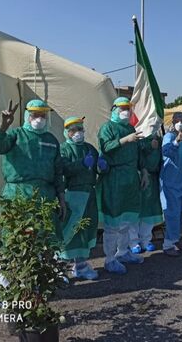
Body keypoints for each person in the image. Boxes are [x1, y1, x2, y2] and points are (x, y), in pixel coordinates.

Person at [0, 99, 67, 293]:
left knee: (44, 240)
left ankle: (37, 286)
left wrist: (61, 198)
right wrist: (3, 125)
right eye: (34, 115)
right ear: (26, 116)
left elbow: (58, 173)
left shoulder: (52, 140)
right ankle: (3, 290)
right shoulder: (15, 135)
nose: (39, 119)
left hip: (45, 195)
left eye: (42, 115)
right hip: (17, 194)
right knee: (13, 240)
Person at [97, 97, 149, 274]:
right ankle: (110, 259)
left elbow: (138, 152)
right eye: (123, 108)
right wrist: (124, 140)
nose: (126, 110)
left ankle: (123, 252)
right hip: (115, 178)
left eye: (128, 107)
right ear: (114, 109)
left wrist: (144, 171)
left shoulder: (130, 127)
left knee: (127, 220)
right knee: (113, 221)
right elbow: (105, 148)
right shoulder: (108, 128)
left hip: (130, 178)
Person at [59, 116, 108, 280]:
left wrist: (101, 166)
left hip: (89, 194)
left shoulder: (89, 148)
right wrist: (81, 164)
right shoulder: (63, 149)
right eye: (73, 130)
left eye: (80, 129)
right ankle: (59, 269)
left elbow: (97, 168)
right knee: (69, 232)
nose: (78, 133)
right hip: (72, 195)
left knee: (85, 232)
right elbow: (63, 169)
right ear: (66, 132)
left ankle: (80, 265)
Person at [160, 112, 182, 257]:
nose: (180, 122)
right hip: (170, 181)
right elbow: (165, 151)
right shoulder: (169, 137)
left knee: (179, 213)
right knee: (171, 213)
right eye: (177, 120)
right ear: (172, 122)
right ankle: (167, 244)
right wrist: (176, 142)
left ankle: (175, 238)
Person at [129, 134, 164, 254]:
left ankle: (145, 240)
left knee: (149, 211)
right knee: (135, 211)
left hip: (152, 179)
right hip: (138, 178)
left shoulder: (159, 140)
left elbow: (157, 162)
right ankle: (133, 242)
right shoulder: (137, 140)